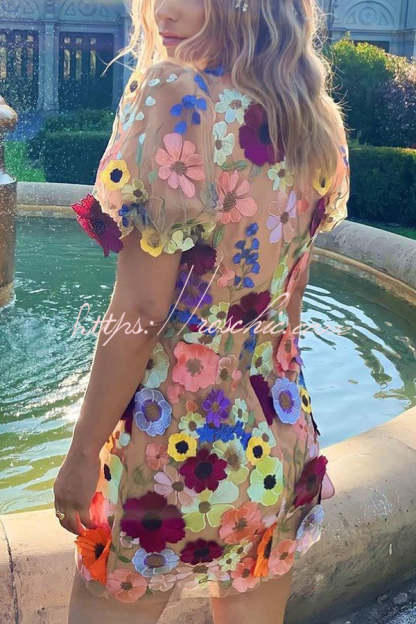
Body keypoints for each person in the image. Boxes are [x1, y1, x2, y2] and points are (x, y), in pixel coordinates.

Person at [54, 0, 350, 622]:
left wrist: (81, 455)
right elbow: (288, 312)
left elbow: (141, 311)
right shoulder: (311, 116)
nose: (163, 9)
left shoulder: (177, 95)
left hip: (169, 451)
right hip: (277, 438)